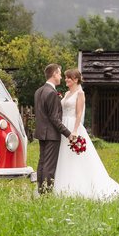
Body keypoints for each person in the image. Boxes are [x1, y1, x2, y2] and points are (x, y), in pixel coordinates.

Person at [53, 68, 119, 201]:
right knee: (63, 156)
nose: (66, 79)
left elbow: (79, 114)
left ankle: (78, 186)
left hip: (73, 126)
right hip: (64, 125)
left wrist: (74, 131)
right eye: (65, 77)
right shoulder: (67, 93)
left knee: (75, 157)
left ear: (75, 79)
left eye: (68, 77)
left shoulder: (80, 93)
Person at [33, 63, 75, 194]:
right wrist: (68, 133)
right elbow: (54, 118)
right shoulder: (51, 93)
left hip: (41, 133)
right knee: (49, 166)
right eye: (60, 74)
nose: (61, 77)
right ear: (54, 74)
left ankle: (41, 191)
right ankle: (46, 194)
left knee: (42, 163)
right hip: (51, 134)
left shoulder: (39, 91)